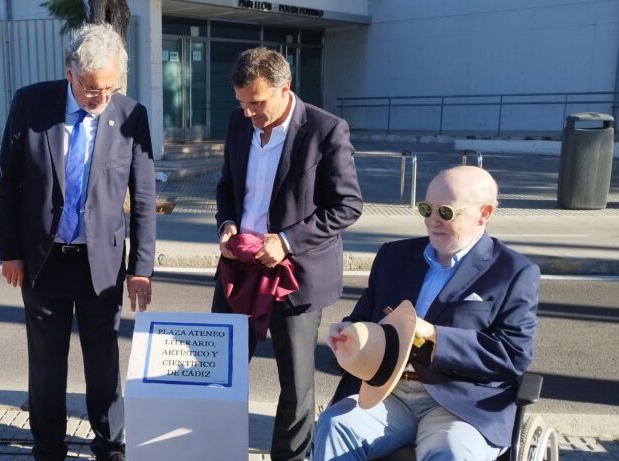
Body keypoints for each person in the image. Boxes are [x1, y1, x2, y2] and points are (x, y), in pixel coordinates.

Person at [0, 23, 156, 461]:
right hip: (44, 261)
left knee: (103, 365)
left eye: (110, 87)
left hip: (99, 264)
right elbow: (8, 182)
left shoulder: (131, 114)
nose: (100, 98)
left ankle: (109, 444)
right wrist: (10, 252)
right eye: (91, 88)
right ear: (69, 73)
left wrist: (141, 268)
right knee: (46, 365)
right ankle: (48, 447)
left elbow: (142, 197)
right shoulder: (31, 104)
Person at [314, 166, 541, 460]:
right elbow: (363, 319)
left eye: (445, 212)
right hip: (386, 392)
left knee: (451, 451)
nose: (432, 221)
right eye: (426, 209)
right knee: (335, 426)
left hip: (461, 402)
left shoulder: (513, 272)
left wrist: (435, 336)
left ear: (484, 213)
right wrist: (346, 334)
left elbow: (513, 354)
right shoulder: (394, 257)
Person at [212, 46, 363, 461]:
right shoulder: (239, 123)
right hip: (238, 270)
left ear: (285, 87)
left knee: (296, 387)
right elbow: (226, 187)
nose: (248, 114)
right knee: (219, 374)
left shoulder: (326, 130)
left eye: (256, 103)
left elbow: (347, 205)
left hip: (294, 275)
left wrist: (287, 241)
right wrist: (226, 225)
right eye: (242, 104)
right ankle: (215, 450)